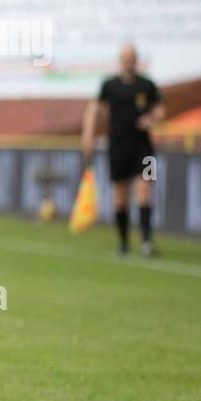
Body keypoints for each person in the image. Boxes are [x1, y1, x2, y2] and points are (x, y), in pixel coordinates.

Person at [81, 44, 164, 256]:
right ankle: (124, 242)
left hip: (144, 147)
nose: (129, 61)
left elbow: (160, 110)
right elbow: (94, 109)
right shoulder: (110, 85)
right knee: (120, 194)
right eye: (125, 57)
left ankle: (146, 241)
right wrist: (88, 134)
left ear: (136, 60)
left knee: (145, 191)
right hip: (117, 146)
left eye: (132, 57)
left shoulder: (147, 85)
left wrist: (151, 118)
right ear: (120, 60)